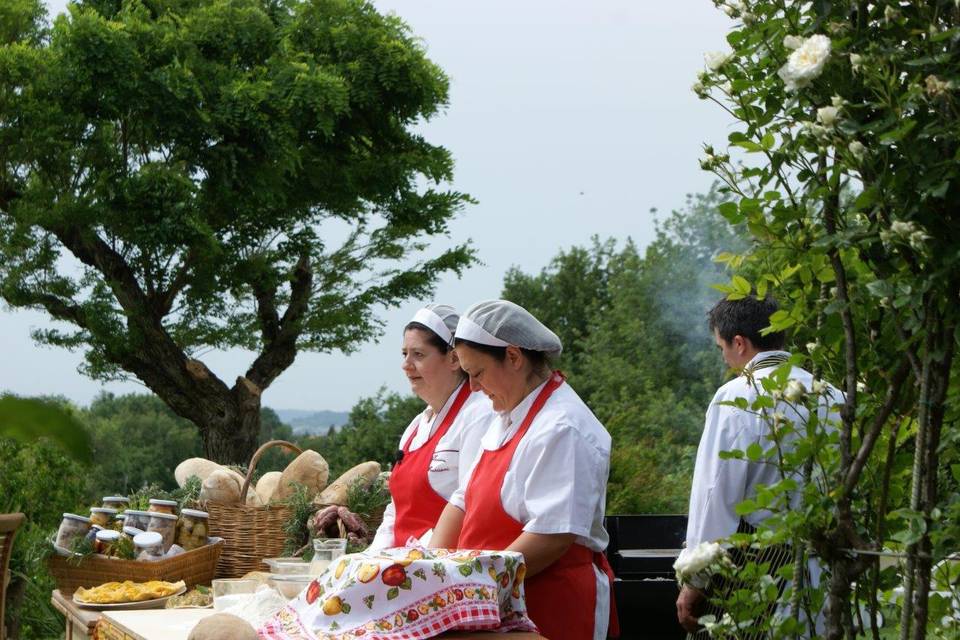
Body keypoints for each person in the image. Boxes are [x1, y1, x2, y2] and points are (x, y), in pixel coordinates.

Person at [430, 299, 617, 640]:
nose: (472, 388)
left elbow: (551, 536)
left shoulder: (563, 427)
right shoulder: (506, 416)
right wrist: (430, 571)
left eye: (477, 373)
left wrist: (474, 586)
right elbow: (464, 499)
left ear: (513, 357)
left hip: (549, 604)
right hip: (493, 602)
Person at [676, 296, 837, 635]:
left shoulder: (735, 396)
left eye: (721, 347)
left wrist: (695, 579)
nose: (723, 356)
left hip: (759, 573)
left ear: (739, 343)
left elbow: (715, 496)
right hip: (826, 569)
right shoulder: (832, 395)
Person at [369, 304, 495, 550]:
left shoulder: (478, 415)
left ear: (453, 359)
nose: (406, 364)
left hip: (443, 568)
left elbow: (471, 505)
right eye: (404, 354)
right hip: (403, 567)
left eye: (418, 354)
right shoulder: (416, 427)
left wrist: (416, 559)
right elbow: (395, 512)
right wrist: (371, 559)